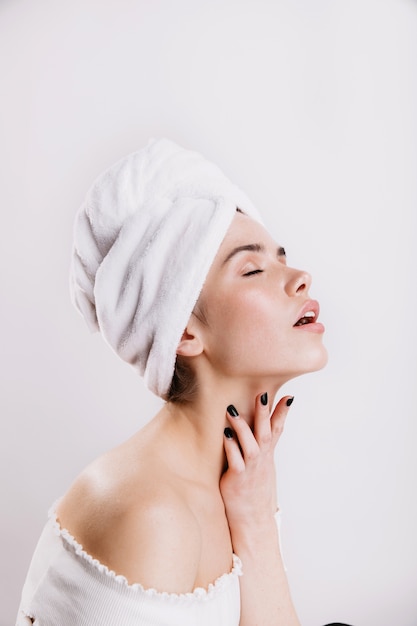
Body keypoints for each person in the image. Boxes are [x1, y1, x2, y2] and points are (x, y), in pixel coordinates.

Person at [16, 139, 328, 626]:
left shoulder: (236, 482)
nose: (300, 277)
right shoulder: (152, 515)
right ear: (183, 330)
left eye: (283, 257)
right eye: (253, 269)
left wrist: (256, 521)